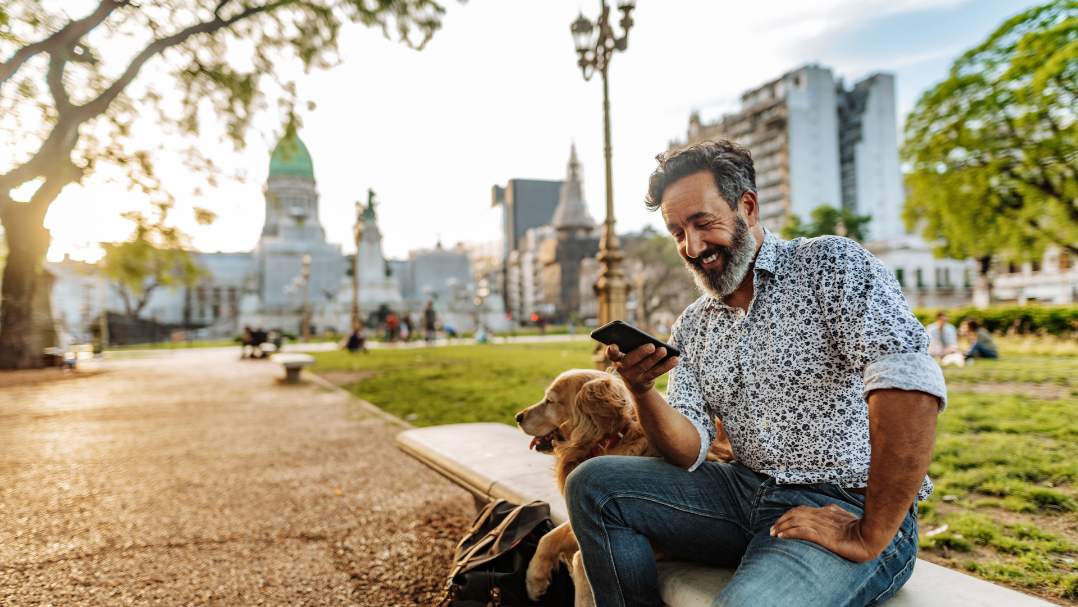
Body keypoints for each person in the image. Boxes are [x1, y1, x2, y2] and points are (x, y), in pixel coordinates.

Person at [569, 140, 946, 607]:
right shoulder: (694, 323)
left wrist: (870, 532)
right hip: (741, 492)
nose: (692, 247)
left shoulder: (830, 265)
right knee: (593, 484)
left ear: (747, 206)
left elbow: (909, 384)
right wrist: (642, 390)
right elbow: (687, 451)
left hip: (841, 502)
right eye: (677, 232)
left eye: (703, 223)